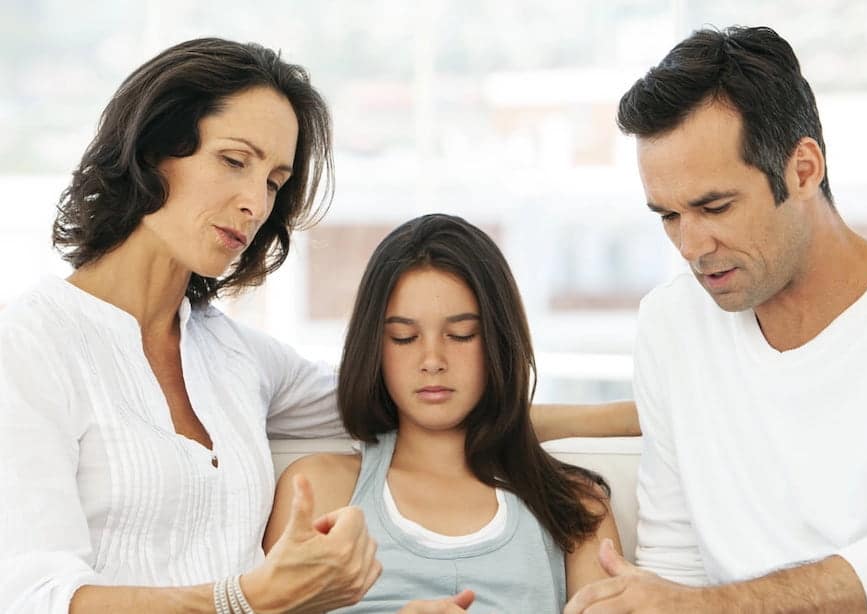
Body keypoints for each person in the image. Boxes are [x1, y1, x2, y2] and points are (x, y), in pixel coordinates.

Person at [0, 37, 637, 614]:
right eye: (233, 161)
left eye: (275, 180)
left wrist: (635, 416)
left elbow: (412, 402)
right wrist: (242, 599)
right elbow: (36, 597)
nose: (256, 203)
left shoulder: (232, 356)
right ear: (150, 151)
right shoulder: (30, 347)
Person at [565, 25, 867, 614]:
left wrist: (710, 606)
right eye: (668, 216)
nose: (690, 245)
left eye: (714, 207)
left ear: (803, 170)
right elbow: (674, 563)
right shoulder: (671, 325)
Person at [264, 214, 622, 613]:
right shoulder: (319, 490)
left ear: (498, 342)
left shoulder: (575, 506)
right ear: (375, 348)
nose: (432, 360)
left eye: (461, 335)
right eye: (404, 337)